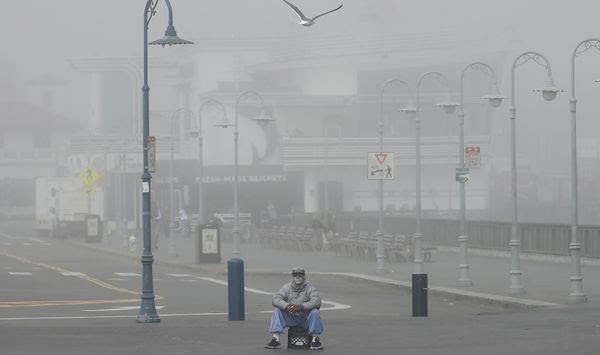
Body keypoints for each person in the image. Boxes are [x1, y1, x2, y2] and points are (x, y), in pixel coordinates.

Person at [265, 267, 324, 350]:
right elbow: (275, 299)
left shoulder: (310, 288)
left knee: (315, 312)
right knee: (277, 310)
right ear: (293, 277)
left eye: (300, 275)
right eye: (295, 275)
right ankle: (276, 339)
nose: (297, 277)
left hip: (305, 319)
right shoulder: (287, 287)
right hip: (291, 317)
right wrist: (287, 306)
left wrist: (301, 307)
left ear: (304, 276)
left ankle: (315, 340)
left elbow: (317, 301)